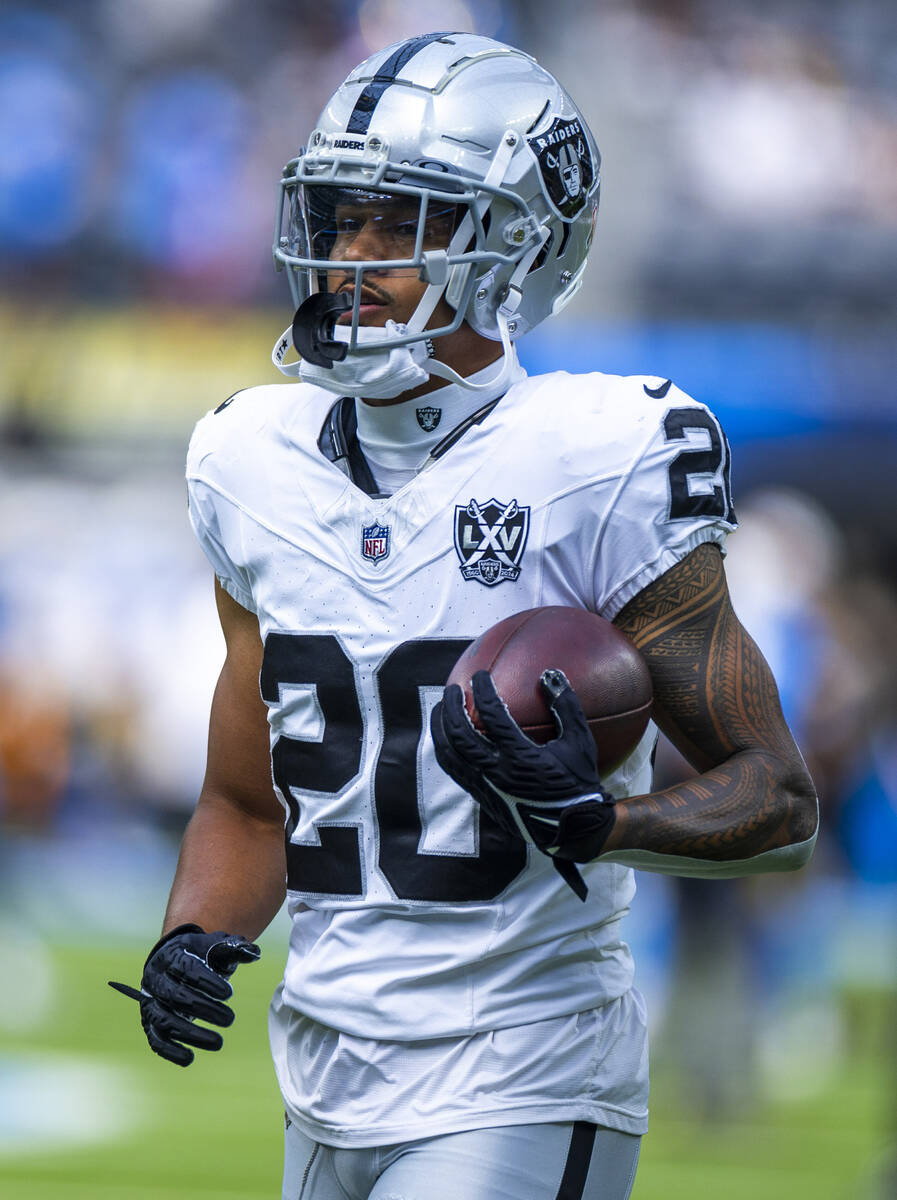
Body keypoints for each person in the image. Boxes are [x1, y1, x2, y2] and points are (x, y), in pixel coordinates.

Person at [110, 31, 818, 1200]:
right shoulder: (247, 459)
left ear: (513, 247)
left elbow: (778, 796)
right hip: (325, 1077)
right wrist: (194, 933)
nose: (351, 256)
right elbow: (248, 800)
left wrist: (609, 820)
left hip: (525, 1074)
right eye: (341, 220)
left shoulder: (603, 456)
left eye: (402, 222)